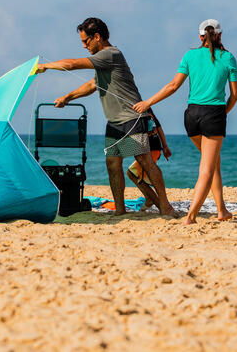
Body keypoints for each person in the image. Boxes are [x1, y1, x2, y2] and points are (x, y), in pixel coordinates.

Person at [35, 17, 177, 217]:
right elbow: (93, 85)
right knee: (112, 164)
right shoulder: (104, 61)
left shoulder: (111, 54)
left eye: (86, 41)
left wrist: (46, 66)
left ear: (97, 37)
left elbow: (74, 64)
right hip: (114, 122)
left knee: (145, 161)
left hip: (132, 117)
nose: (84, 45)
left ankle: (166, 206)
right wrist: (67, 97)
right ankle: (120, 210)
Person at [133, 19, 237, 225]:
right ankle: (191, 216)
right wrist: (222, 113)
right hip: (213, 114)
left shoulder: (190, 55)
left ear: (200, 36)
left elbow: (173, 86)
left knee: (213, 162)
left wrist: (148, 103)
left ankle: (221, 210)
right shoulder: (228, 57)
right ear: (219, 35)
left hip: (191, 116)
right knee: (207, 169)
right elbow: (234, 95)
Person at [126, 108, 172, 209]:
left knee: (133, 174)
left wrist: (164, 146)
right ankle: (153, 199)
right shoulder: (147, 108)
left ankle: (156, 201)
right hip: (154, 148)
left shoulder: (136, 110)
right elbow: (159, 128)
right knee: (138, 174)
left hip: (150, 149)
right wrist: (164, 146)